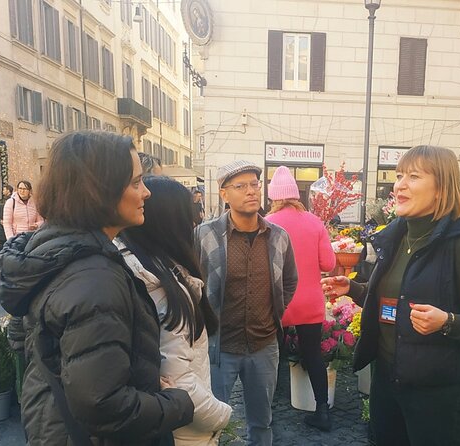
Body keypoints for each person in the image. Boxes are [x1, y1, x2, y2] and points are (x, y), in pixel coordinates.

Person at [0, 131, 194, 445]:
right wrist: (178, 403)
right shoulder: (94, 278)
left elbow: (32, 345)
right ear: (99, 191)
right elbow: (104, 405)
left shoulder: (53, 253)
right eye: (135, 182)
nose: (146, 193)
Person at [321, 145, 460, 446]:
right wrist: (353, 290)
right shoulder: (396, 237)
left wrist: (447, 321)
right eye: (399, 175)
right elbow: (395, 301)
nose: (399, 184)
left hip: (439, 395)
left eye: (413, 177)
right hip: (388, 382)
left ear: (441, 189)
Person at [117, 175, 232, 445]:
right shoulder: (163, 288)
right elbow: (178, 379)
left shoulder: (152, 269)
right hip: (185, 431)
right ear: (169, 222)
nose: (195, 223)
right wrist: (221, 416)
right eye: (189, 215)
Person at [193, 160, 298, 446]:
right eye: (241, 186)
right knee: (209, 423)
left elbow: (290, 281)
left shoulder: (278, 237)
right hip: (219, 346)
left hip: (264, 346)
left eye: (255, 184)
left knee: (262, 422)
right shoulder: (204, 235)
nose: (251, 191)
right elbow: (190, 284)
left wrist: (275, 312)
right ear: (224, 193)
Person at [265, 166, 336, 431]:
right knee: (313, 355)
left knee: (272, 357)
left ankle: (266, 411)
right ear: (296, 195)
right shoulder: (315, 222)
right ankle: (322, 411)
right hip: (310, 302)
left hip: (278, 302)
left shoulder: (268, 224)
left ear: (274, 196)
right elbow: (328, 262)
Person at [0, 184, 13, 250]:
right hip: (2, 229)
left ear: (8, 191)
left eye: (4, 190)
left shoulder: (13, 201)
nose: (2, 191)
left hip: (11, 227)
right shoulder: (1, 202)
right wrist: (0, 221)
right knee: (3, 245)